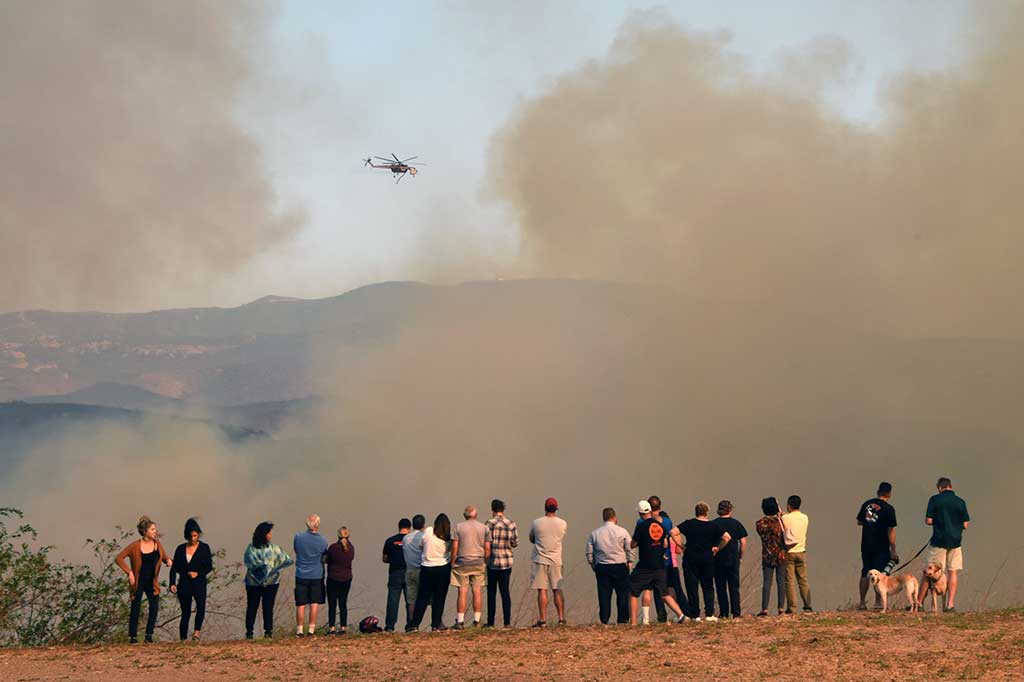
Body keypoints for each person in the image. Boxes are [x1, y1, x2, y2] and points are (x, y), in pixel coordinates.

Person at [115, 515, 172, 643]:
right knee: (136, 607)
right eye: (152, 529)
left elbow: (164, 557)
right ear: (145, 531)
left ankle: (149, 635)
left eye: (155, 529)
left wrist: (168, 560)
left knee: (154, 606)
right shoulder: (135, 546)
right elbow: (119, 558)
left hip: (152, 582)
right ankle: (133, 637)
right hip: (138, 581)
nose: (155, 531)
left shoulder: (157, 544)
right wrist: (129, 572)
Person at [916, 477, 970, 612]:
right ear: (950, 486)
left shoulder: (935, 500)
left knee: (929, 572)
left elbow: (928, 521)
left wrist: (940, 523)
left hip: (939, 542)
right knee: (953, 573)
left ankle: (919, 603)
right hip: (956, 542)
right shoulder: (960, 502)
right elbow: (965, 524)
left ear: (940, 488)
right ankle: (950, 605)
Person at [630, 501, 687, 625]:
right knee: (664, 593)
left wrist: (642, 542)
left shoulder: (641, 526)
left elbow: (633, 544)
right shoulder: (660, 525)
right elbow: (665, 543)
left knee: (632, 591)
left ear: (640, 513)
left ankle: (633, 622)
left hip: (645, 565)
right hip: (660, 564)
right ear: (650, 510)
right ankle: (681, 615)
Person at [679, 502, 730, 621]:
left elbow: (673, 532)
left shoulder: (689, 523)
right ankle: (709, 614)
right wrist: (717, 548)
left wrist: (681, 545)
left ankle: (695, 614)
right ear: (706, 512)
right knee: (708, 586)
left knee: (692, 587)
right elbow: (727, 537)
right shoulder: (713, 526)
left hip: (690, 558)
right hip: (707, 558)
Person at [243, 521, 293, 639]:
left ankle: (268, 631)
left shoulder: (273, 548)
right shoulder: (252, 548)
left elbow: (286, 559)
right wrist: (268, 569)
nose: (271, 535)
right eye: (269, 533)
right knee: (252, 606)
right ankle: (250, 632)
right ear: (264, 534)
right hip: (255, 583)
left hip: (268, 583)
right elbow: (250, 562)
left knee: (267, 606)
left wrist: (269, 569)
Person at [168, 517, 213, 641]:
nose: (192, 539)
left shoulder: (204, 548)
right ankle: (183, 637)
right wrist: (172, 583)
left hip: (199, 583)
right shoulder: (180, 549)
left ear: (198, 534)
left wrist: (198, 573)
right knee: (185, 612)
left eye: (195, 535)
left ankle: (196, 633)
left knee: (201, 606)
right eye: (190, 536)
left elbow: (209, 566)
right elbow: (174, 567)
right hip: (184, 584)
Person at [586, 507, 632, 625]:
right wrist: (630, 562)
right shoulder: (622, 531)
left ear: (604, 518)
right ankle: (623, 619)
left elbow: (589, 553)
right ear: (614, 517)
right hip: (620, 566)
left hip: (602, 566)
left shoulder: (595, 533)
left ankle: (604, 619)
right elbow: (629, 548)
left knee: (604, 595)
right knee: (622, 594)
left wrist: (594, 566)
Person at [408, 513, 453, 632]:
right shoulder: (448, 538)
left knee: (422, 597)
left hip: (427, 567)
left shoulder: (428, 531)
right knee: (439, 598)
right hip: (443, 568)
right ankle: (436, 624)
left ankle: (414, 624)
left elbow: (420, 545)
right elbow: (449, 551)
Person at [856, 482, 898, 610]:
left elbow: (859, 521)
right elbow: (891, 531)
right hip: (881, 545)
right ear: (889, 494)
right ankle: (878, 603)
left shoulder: (867, 504)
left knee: (865, 572)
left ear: (878, 491)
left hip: (866, 544)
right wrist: (893, 549)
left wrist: (871, 523)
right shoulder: (889, 509)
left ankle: (862, 603)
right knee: (879, 574)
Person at [529, 497, 568, 626]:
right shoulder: (562, 523)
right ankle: (561, 618)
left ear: (545, 508)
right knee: (557, 589)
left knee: (542, 590)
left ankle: (543, 619)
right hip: (556, 559)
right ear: (556, 509)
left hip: (540, 559)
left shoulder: (537, 523)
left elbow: (532, 538)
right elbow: (561, 537)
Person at [451, 506, 489, 629]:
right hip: (478, 562)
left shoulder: (458, 527)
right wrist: (486, 561)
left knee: (462, 591)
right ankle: (477, 620)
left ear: (465, 515)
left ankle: (460, 621)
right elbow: (487, 548)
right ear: (476, 515)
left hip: (462, 562)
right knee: (477, 590)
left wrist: (452, 562)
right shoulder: (484, 528)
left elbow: (455, 547)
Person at [293, 514, 328, 636]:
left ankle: (299, 630)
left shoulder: (298, 537)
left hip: (301, 573)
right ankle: (311, 630)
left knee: (301, 603)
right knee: (314, 603)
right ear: (318, 525)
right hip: (316, 574)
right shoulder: (323, 540)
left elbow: (296, 551)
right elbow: (324, 556)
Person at [484, 499, 518, 628]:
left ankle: (491, 622)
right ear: (503, 510)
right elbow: (515, 543)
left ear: (492, 510)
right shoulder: (511, 523)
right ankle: (507, 622)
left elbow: (485, 543)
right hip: (506, 562)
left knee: (491, 593)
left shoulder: (489, 524)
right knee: (505, 593)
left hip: (492, 562)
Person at [713, 500, 748, 618]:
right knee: (734, 587)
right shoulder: (736, 523)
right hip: (733, 559)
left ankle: (724, 612)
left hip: (718, 559)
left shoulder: (714, 524)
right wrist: (740, 556)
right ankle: (736, 613)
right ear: (730, 510)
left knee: (720, 587)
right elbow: (743, 542)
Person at [755, 497, 787, 616]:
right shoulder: (781, 522)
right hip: (781, 554)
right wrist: (780, 513)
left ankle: (764, 609)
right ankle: (781, 608)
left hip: (767, 555)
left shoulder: (760, 523)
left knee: (767, 582)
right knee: (781, 581)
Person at [781, 495, 812, 613]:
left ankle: (792, 607)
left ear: (789, 505)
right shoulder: (805, 517)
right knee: (803, 580)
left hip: (789, 552)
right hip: (801, 551)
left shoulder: (785, 518)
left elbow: (784, 528)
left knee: (790, 581)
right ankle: (807, 605)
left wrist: (782, 516)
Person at [382, 518, 410, 632]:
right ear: (409, 528)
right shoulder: (412, 540)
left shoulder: (390, 540)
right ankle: (411, 625)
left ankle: (390, 626)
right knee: (410, 600)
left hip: (394, 572)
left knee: (393, 600)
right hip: (409, 572)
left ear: (398, 527)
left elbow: (384, 559)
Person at [325, 526, 354, 634]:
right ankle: (343, 627)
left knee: (332, 604)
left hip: (333, 578)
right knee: (343, 603)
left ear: (338, 535)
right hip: (346, 578)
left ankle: (332, 628)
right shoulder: (351, 548)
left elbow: (326, 560)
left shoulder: (333, 547)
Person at [402, 514, 426, 621]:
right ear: (423, 524)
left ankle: (412, 623)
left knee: (411, 600)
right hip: (422, 570)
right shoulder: (424, 536)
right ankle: (436, 622)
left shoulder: (406, 538)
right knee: (428, 597)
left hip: (410, 570)